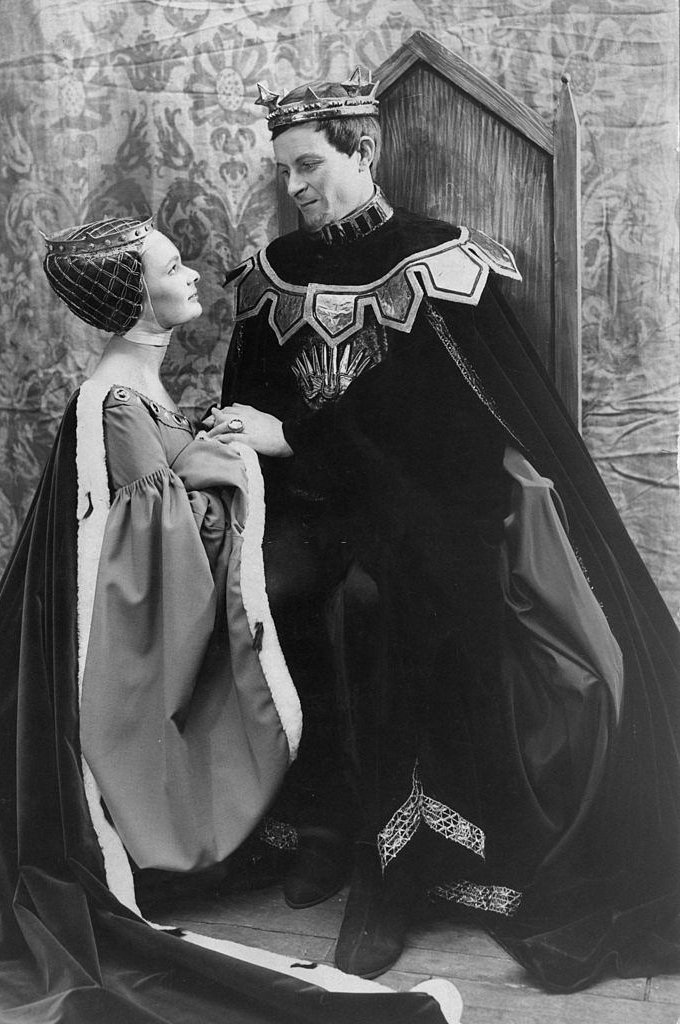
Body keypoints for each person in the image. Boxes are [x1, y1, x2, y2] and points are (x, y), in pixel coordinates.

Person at [0, 213, 466, 1024]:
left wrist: (200, 446)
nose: (195, 277)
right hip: (116, 662)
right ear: (141, 302)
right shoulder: (115, 402)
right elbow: (166, 549)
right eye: (175, 269)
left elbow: (163, 489)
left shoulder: (136, 385)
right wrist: (235, 459)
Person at [207, 68, 680, 989]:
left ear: (364, 151)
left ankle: (397, 866)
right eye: (285, 171)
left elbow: (463, 441)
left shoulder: (438, 263)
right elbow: (248, 400)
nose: (296, 187)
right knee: (266, 582)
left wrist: (299, 437)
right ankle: (324, 825)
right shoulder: (274, 277)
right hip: (315, 505)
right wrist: (239, 435)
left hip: (434, 509)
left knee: (379, 598)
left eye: (310, 165)